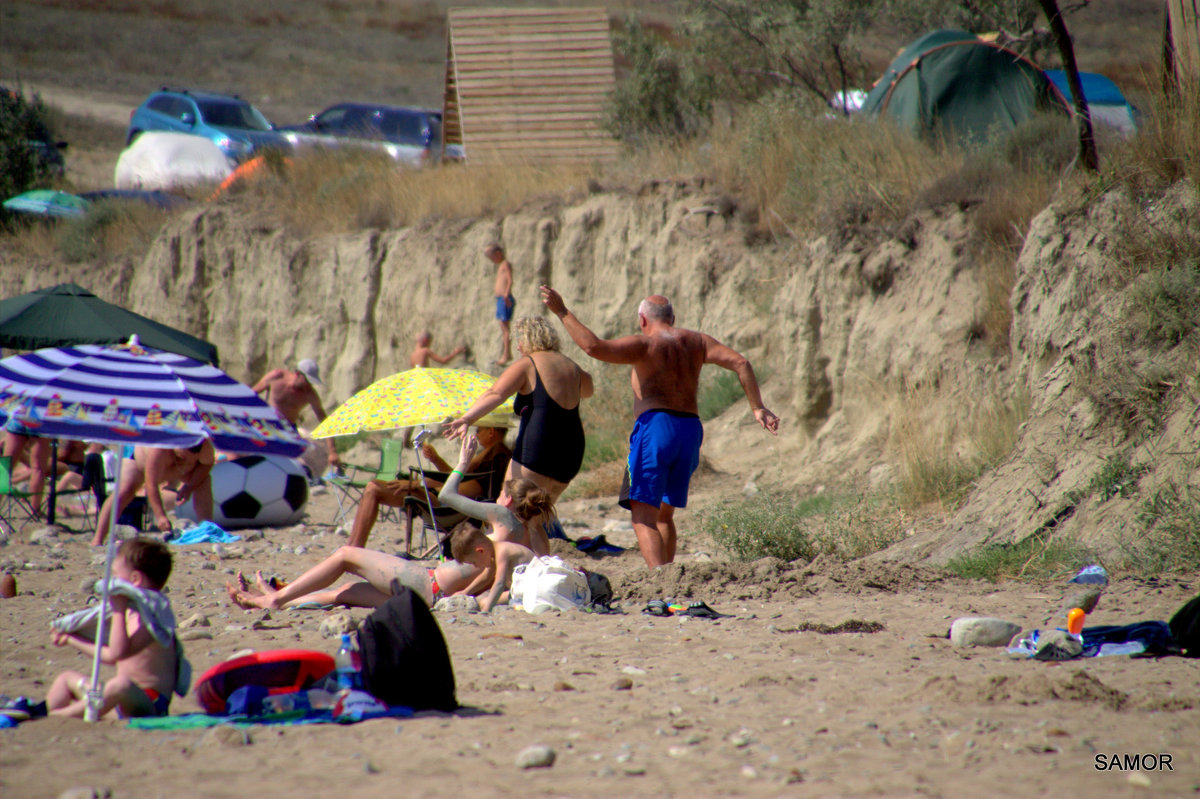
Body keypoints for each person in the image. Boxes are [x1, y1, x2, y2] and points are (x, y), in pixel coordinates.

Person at [540, 286, 781, 568]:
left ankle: (659, 583)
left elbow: (594, 347)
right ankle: (670, 581)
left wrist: (562, 312)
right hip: (690, 431)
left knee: (643, 517)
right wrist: (757, 407)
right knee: (664, 516)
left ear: (642, 320)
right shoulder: (698, 342)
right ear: (673, 318)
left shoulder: (646, 344)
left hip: (656, 428)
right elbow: (741, 362)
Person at [445, 316, 593, 551]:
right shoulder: (572, 367)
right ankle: (540, 571)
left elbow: (496, 393)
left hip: (539, 449)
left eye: (519, 341)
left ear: (528, 339)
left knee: (508, 517)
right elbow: (588, 389)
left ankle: (506, 574)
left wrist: (467, 419)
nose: (517, 347)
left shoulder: (528, 364)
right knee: (534, 522)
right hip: (571, 453)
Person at [226, 521, 533, 613]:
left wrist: (460, 465)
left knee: (347, 553)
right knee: (342, 593)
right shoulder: (508, 554)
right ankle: (274, 600)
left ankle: (276, 597)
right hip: (427, 597)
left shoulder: (500, 543)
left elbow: (458, 501)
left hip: (423, 582)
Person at [46, 538, 178, 718]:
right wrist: (70, 639)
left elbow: (116, 653)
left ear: (134, 579)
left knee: (120, 684)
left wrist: (118, 609)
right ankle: (45, 711)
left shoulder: (151, 619)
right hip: (118, 703)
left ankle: (57, 716)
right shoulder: (129, 612)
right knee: (66, 679)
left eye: (115, 575)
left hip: (148, 702)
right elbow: (108, 655)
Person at [347, 425, 510, 550]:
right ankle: (353, 546)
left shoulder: (494, 453)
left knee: (373, 488)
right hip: (439, 498)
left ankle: (354, 547)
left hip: (441, 504)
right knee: (373, 487)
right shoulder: (489, 456)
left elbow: (458, 483)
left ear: (492, 432)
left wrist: (417, 484)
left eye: (479, 430)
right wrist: (436, 460)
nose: (475, 434)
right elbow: (455, 477)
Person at [91, 441, 215, 547]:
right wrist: (160, 516)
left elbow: (206, 465)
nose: (182, 460)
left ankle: (207, 529)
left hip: (176, 470)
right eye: (180, 457)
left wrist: (189, 487)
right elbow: (151, 484)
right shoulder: (159, 448)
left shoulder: (204, 446)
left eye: (185, 458)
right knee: (125, 491)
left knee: (203, 481)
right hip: (139, 461)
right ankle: (98, 539)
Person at [252, 358, 341, 477]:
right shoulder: (276, 377)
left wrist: (333, 452)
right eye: (307, 381)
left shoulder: (310, 394)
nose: (308, 385)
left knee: (289, 467)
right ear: (298, 374)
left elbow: (325, 421)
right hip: (266, 426)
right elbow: (251, 393)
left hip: (288, 430)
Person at [3, 421, 50, 520]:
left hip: (20, 416)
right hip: (40, 419)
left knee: (5, 467)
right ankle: (35, 510)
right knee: (38, 468)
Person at [485, 242, 515, 365]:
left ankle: (506, 354)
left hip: (504, 298)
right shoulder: (501, 265)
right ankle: (506, 354)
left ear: (498, 253)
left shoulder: (505, 264)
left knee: (505, 328)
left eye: (492, 257)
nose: (492, 260)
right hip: (500, 299)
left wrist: (506, 294)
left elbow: (509, 280)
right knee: (503, 328)